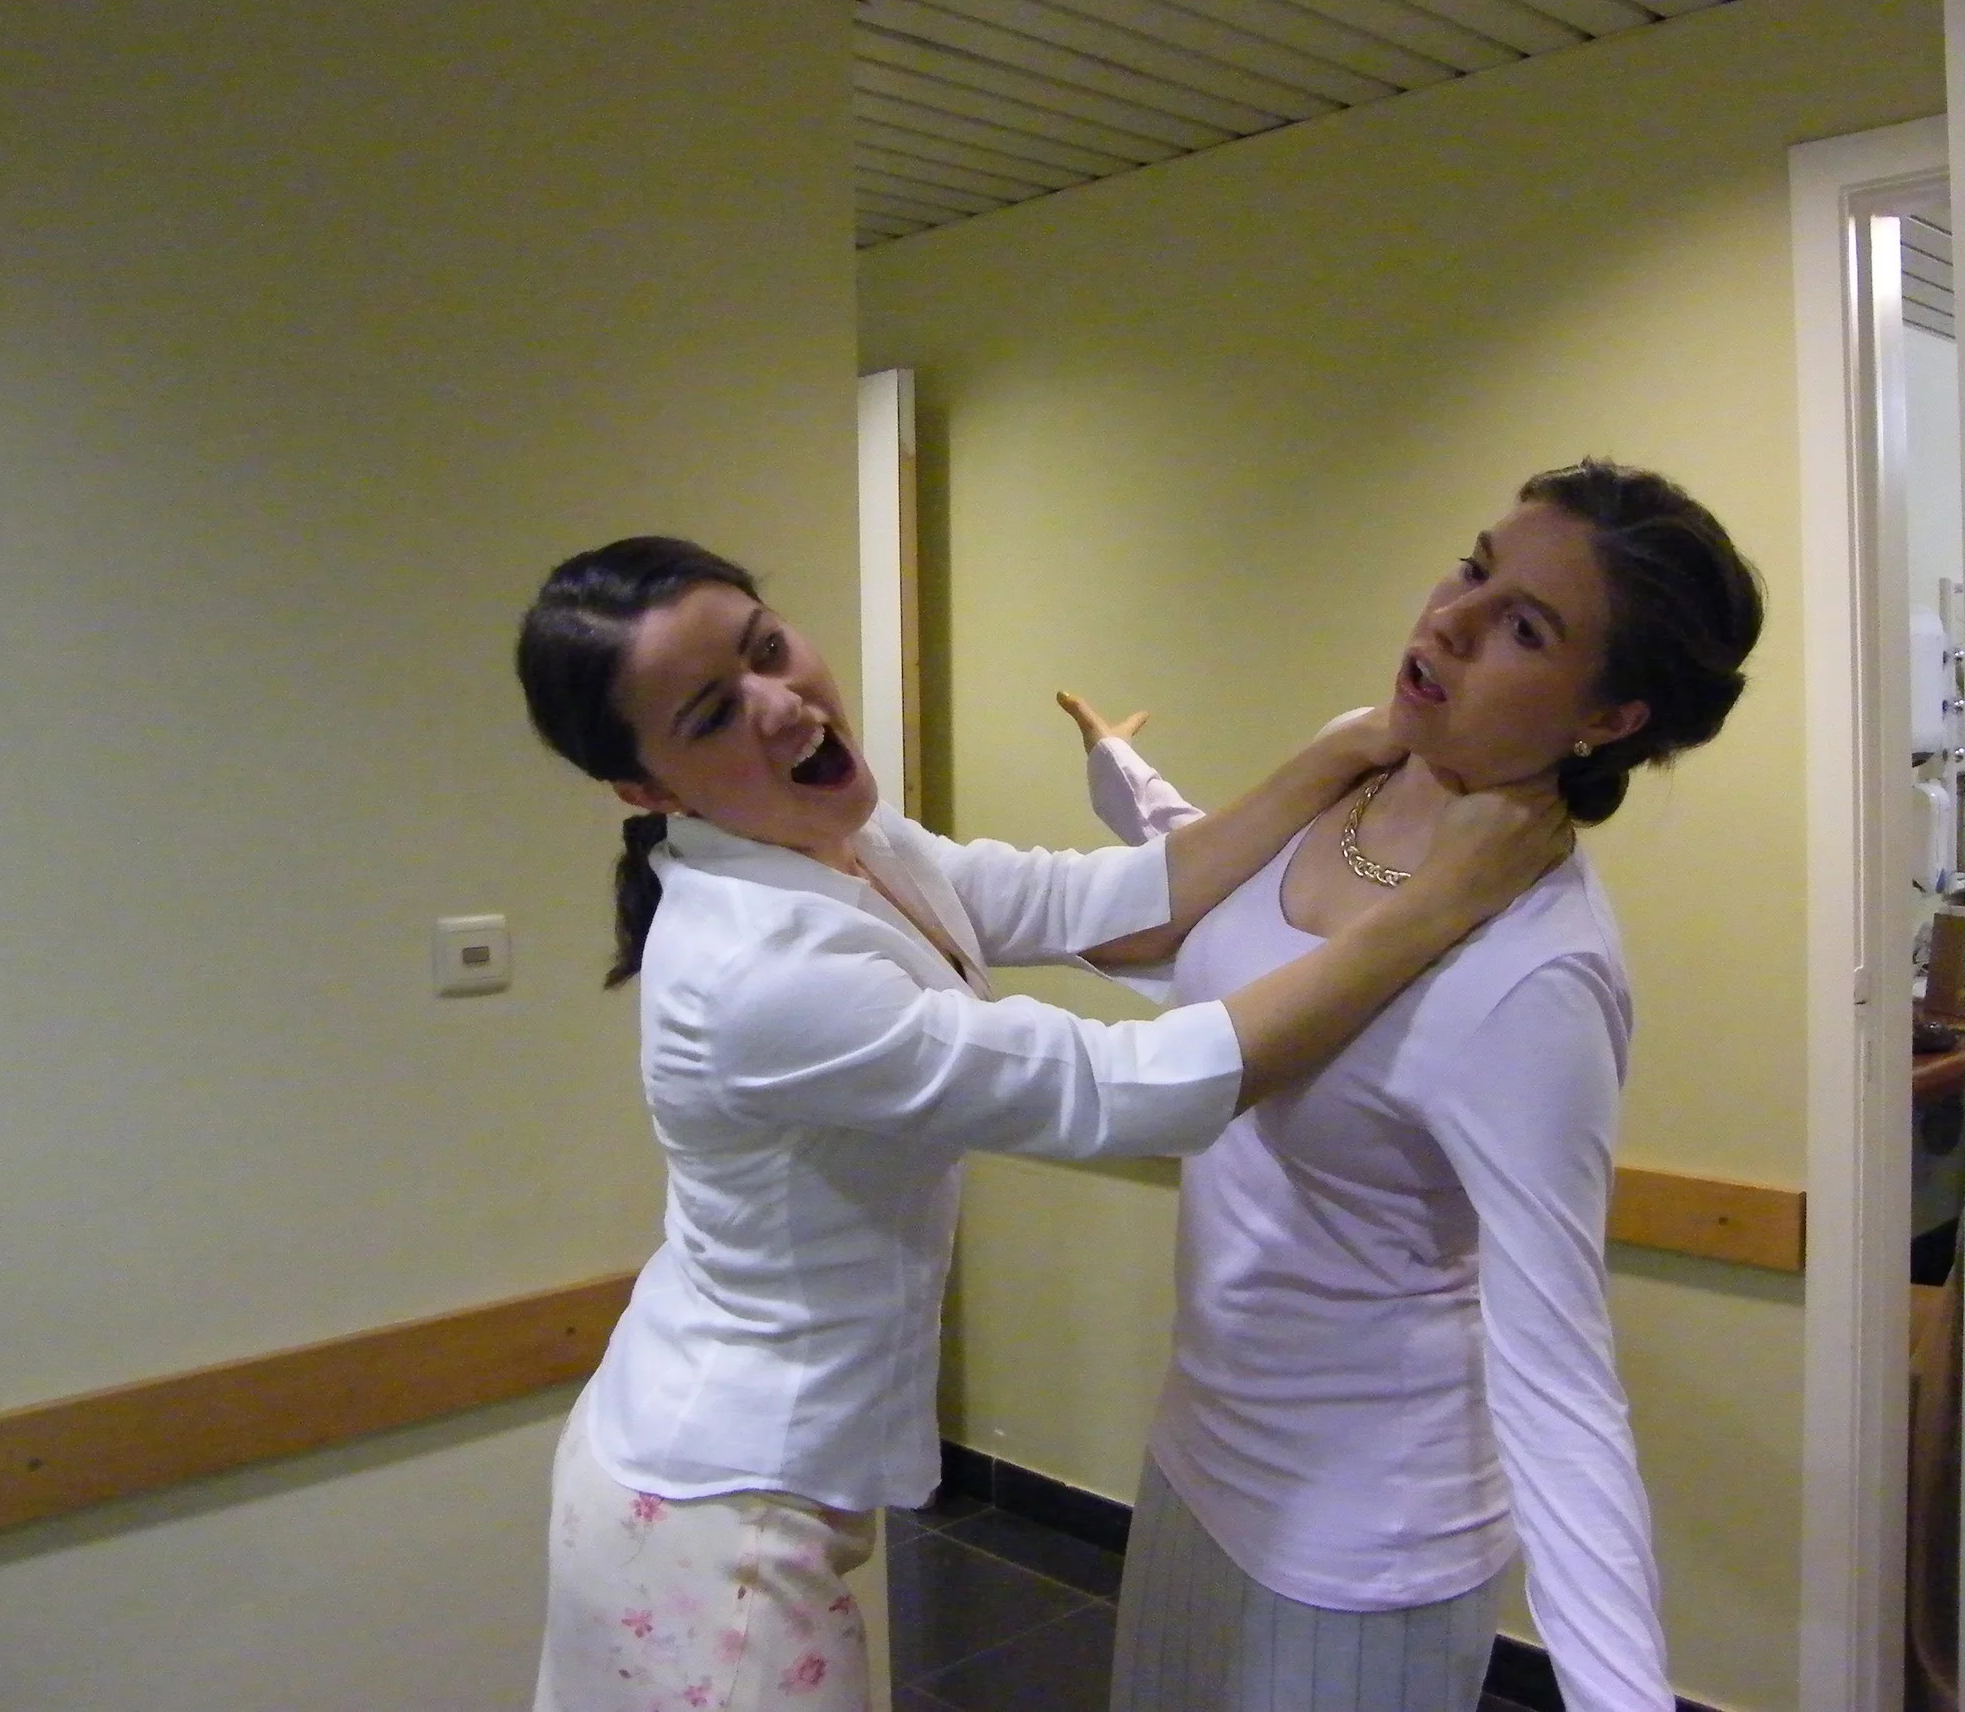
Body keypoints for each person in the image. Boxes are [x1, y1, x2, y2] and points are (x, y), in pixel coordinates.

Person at [512, 536, 1572, 1712]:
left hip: (725, 1474)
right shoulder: (757, 969)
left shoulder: (838, 851)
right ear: (646, 790)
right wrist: (1444, 898)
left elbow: (1098, 903)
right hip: (714, 1523)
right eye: (714, 712)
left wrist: (1333, 756)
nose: (783, 703)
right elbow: (1132, 1087)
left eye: (769, 648)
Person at [1071, 460, 1764, 1712]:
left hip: (1358, 1549)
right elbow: (1198, 913)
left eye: (1524, 627)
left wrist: (1621, 1697)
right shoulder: (1359, 775)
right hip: (1196, 1465)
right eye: (1476, 566)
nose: (1450, 618)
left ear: (1607, 720)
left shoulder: (1534, 974)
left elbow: (1558, 1379)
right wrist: (1119, 773)